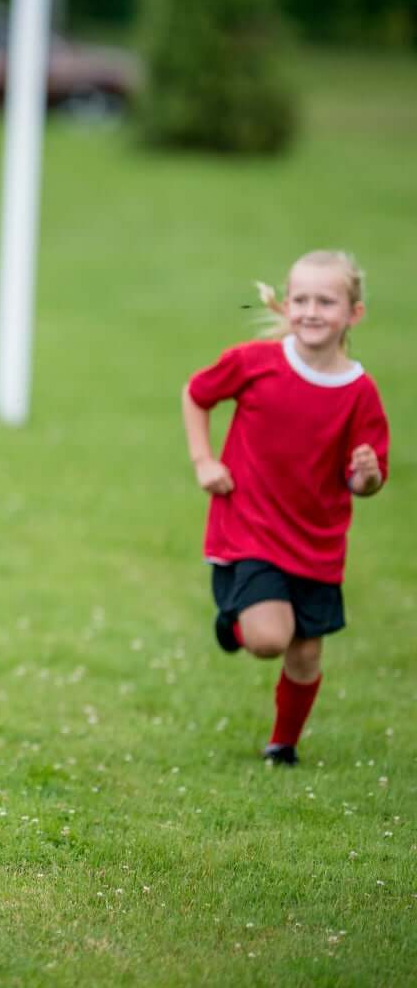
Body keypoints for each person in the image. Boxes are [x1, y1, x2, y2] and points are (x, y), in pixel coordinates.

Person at [181, 250, 388, 767]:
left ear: (353, 313)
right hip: (250, 526)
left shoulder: (360, 391)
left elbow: (366, 479)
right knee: (271, 639)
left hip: (317, 542)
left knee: (307, 652)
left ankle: (283, 745)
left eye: (326, 301)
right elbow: (197, 393)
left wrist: (366, 476)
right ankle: (234, 625)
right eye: (301, 299)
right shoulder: (256, 362)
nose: (312, 311)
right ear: (286, 303)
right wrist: (204, 460)